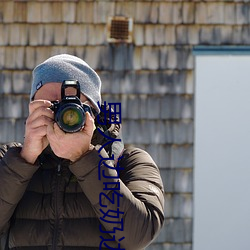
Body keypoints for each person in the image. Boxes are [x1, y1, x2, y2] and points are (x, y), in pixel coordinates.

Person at [0, 54, 164, 250]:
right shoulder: (9, 160)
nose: (59, 116)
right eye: (49, 106)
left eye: (70, 107)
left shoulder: (129, 162)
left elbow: (138, 235)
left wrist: (85, 158)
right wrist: (24, 160)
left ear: (93, 111)